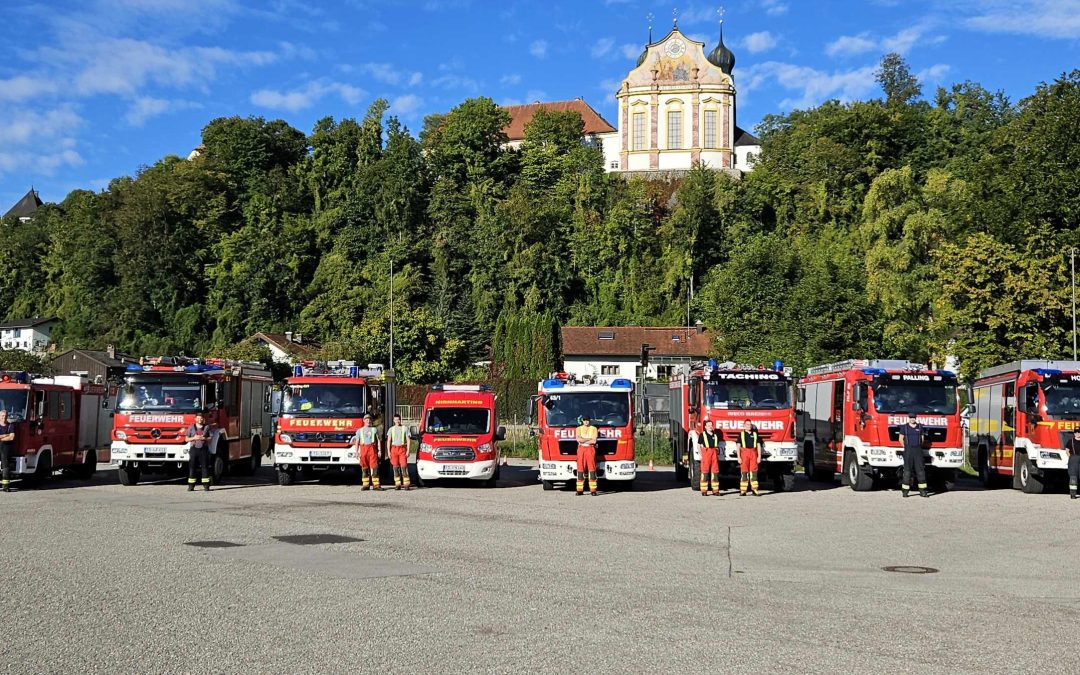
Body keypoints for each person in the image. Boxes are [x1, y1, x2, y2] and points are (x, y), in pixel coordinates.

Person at [899, 411, 928, 498]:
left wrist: (918, 446)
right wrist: (906, 447)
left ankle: (923, 491)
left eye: (913, 418)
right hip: (908, 450)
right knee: (907, 471)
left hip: (918, 450)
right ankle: (905, 492)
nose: (912, 419)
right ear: (909, 418)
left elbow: (922, 439)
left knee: (920, 471)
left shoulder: (920, 427)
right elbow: (900, 439)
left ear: (916, 418)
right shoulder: (904, 427)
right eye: (911, 418)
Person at [353, 414, 382, 491]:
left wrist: (379, 450)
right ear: (363, 420)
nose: (368, 421)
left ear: (371, 421)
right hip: (363, 449)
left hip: (372, 449)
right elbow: (357, 442)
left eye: (369, 419)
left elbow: (378, 440)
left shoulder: (374, 429)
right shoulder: (359, 431)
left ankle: (376, 485)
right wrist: (356, 452)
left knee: (374, 467)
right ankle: (366, 485)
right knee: (364, 467)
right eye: (366, 419)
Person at [185, 413, 212, 492]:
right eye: (198, 418)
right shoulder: (191, 428)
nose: (200, 420)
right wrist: (194, 438)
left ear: (203, 419)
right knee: (192, 467)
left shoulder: (207, 427)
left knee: (205, 467)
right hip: (194, 449)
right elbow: (186, 439)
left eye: (201, 418)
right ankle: (191, 486)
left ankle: (206, 486)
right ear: (195, 419)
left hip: (203, 450)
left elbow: (210, 438)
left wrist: (205, 438)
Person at [736, 419, 763, 496]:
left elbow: (758, 445)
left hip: (753, 454)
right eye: (747, 425)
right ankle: (743, 490)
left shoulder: (755, 434)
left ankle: (755, 490)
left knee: (754, 472)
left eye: (750, 425)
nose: (749, 426)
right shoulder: (741, 435)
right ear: (744, 426)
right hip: (744, 454)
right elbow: (738, 446)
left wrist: (759, 456)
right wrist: (738, 457)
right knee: (744, 472)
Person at [575, 414, 599, 496]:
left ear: (589, 420)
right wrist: (589, 439)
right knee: (580, 469)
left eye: (587, 420)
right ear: (582, 421)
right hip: (581, 449)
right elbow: (578, 439)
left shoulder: (594, 429)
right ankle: (579, 490)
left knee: (592, 469)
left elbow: (594, 441)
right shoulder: (578, 429)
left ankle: (593, 490)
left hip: (590, 449)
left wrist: (583, 440)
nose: (586, 421)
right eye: (584, 420)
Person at [386, 414, 411, 491]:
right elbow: (389, 441)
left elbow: (408, 440)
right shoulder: (391, 429)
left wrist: (408, 451)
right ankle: (398, 484)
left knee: (404, 466)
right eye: (396, 420)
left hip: (402, 449)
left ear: (401, 420)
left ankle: (406, 484)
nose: (397, 421)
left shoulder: (405, 428)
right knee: (395, 467)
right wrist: (388, 452)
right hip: (394, 449)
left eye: (398, 419)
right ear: (394, 420)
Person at [699, 420, 722, 496]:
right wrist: (701, 455)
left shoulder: (715, 435)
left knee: (715, 472)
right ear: (705, 427)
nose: (710, 427)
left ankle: (715, 490)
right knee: (705, 472)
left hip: (714, 454)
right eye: (708, 425)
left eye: (711, 425)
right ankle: (704, 490)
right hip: (706, 453)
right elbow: (699, 445)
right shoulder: (702, 435)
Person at [0, 410, 15, 493]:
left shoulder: (10, 426)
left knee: (5, 467)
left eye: (5, 416)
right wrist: (6, 435)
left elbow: (12, 437)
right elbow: (9, 436)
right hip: (2, 446)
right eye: (2, 416)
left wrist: (1, 438)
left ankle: (5, 486)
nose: (4, 417)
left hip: (5, 448)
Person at [1066, 428, 1080, 500]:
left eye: (1079, 432)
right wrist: (1071, 457)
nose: (1078, 433)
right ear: (1074, 433)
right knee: (1073, 477)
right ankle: (1073, 494)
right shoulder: (1070, 441)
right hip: (1073, 459)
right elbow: (1067, 450)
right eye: (1076, 432)